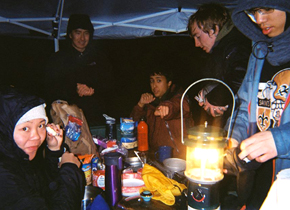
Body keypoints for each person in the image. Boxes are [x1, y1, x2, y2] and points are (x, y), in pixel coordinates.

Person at [225, 1, 290, 209]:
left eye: (267, 9)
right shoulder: (259, 50)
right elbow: (246, 106)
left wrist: (280, 141)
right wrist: (233, 138)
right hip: (255, 184)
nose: (259, 19)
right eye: (255, 11)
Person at [0, 86, 85, 209]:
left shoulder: (17, 156)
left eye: (41, 125)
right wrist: (70, 172)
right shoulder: (4, 178)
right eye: (25, 128)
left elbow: (44, 191)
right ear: (5, 130)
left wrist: (54, 151)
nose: (36, 137)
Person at [187, 3, 251, 128]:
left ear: (214, 29)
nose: (196, 44)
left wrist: (216, 98)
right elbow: (223, 78)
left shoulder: (236, 44)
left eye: (198, 37)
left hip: (242, 123)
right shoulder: (220, 50)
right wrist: (208, 90)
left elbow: (240, 76)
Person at [44, 14, 114, 126]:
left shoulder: (100, 57)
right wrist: (74, 89)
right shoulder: (58, 59)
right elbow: (50, 89)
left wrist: (93, 89)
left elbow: (110, 85)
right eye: (78, 33)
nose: (82, 38)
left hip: (94, 118)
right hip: (67, 119)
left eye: (86, 33)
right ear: (70, 35)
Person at [130, 65, 193, 160]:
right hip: (155, 157)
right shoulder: (151, 103)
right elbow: (132, 125)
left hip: (179, 158)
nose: (154, 85)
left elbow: (179, 107)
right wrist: (140, 105)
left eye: (159, 81)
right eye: (152, 81)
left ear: (169, 83)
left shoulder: (180, 98)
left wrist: (167, 108)